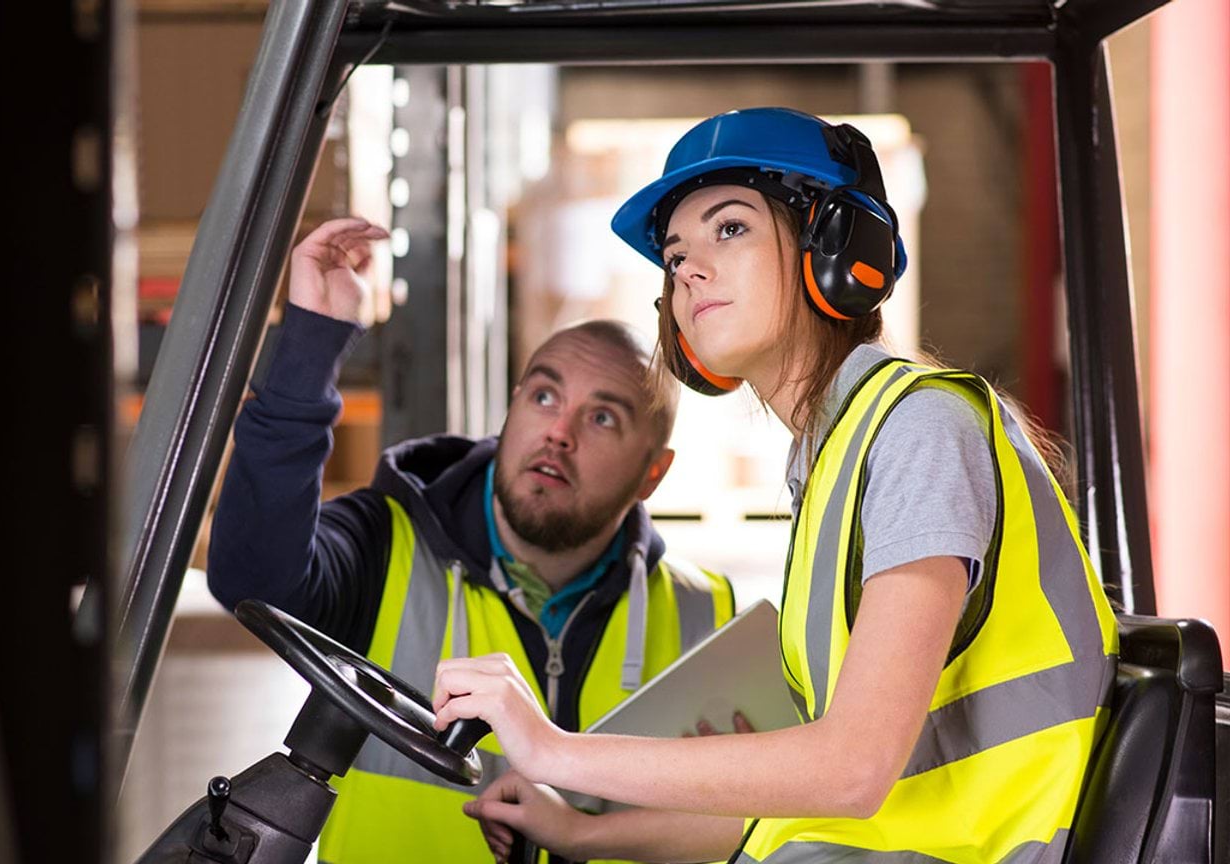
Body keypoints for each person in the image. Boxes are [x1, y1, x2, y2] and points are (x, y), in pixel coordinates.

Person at [436, 107, 1119, 864]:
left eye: (730, 229)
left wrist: (554, 751)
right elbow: (809, 804)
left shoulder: (919, 429)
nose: (688, 270)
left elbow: (852, 770)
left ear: (836, 247)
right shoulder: (833, 459)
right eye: (675, 256)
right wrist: (583, 831)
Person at [206, 217, 735, 864]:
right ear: (512, 409)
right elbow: (252, 580)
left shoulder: (706, 615)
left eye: (602, 417)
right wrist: (312, 341)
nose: (559, 432)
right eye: (544, 396)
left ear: (653, 472)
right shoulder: (385, 545)